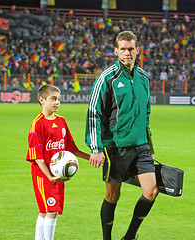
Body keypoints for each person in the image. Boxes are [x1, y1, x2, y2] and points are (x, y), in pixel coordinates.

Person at [85, 31, 158, 240]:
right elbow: (93, 112)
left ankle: (129, 237)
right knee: (113, 195)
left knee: (151, 191)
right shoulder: (107, 78)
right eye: (123, 49)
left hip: (141, 146)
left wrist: (150, 148)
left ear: (137, 50)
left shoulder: (144, 78)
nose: (127, 53)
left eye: (130, 49)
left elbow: (146, 114)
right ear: (116, 51)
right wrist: (96, 148)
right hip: (115, 147)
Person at [26, 84, 90, 240]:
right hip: (44, 174)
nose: (57, 103)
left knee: (45, 210)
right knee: (52, 210)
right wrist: (49, 176)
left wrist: (91, 157)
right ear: (42, 100)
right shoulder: (37, 125)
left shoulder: (61, 121)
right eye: (53, 99)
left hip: (57, 173)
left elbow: (71, 149)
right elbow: (38, 157)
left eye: (59, 100)